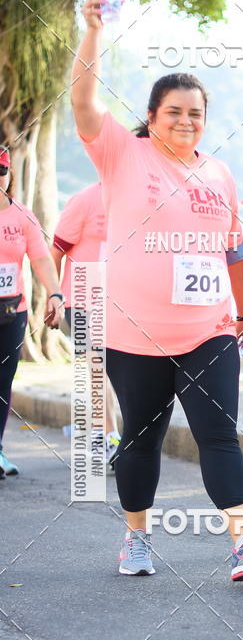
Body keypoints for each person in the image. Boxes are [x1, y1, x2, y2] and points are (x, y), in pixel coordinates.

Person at [70, 0, 243, 580]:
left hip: (207, 331)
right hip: (133, 334)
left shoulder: (219, 173)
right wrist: (93, 28)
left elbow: (230, 249)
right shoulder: (122, 155)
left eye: (196, 113)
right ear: (151, 117)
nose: (187, 121)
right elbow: (84, 102)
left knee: (219, 435)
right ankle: (137, 538)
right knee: (142, 441)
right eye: (175, 112)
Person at [0, 146, 65, 478]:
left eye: (1, 172)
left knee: (3, 379)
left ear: (10, 176)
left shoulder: (22, 216)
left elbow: (40, 258)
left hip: (12, 312)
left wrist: (54, 293)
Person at [50, 181, 121, 466]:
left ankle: (101, 434)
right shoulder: (83, 200)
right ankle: (109, 436)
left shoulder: (138, 198)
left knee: (113, 372)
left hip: (122, 302)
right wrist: (52, 298)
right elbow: (54, 252)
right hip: (81, 300)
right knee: (96, 369)